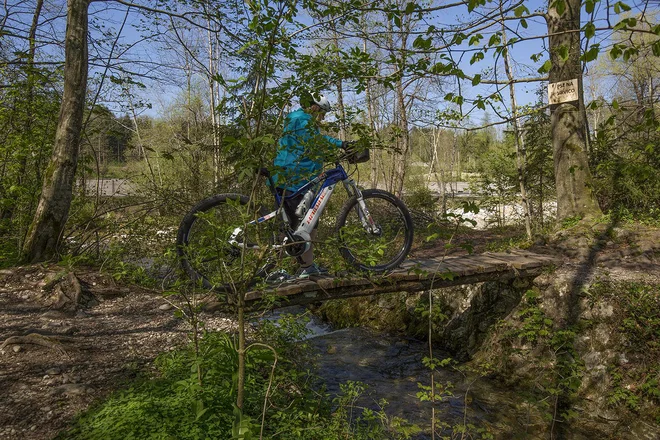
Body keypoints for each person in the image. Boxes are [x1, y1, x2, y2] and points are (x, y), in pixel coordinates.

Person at [272, 92, 343, 279]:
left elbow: (306, 147)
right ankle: (302, 267)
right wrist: (341, 144)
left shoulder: (295, 119)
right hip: (295, 180)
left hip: (287, 177)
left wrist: (325, 157)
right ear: (314, 108)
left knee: (294, 226)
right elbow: (317, 140)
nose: (322, 119)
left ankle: (304, 266)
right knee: (306, 225)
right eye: (322, 114)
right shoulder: (303, 120)